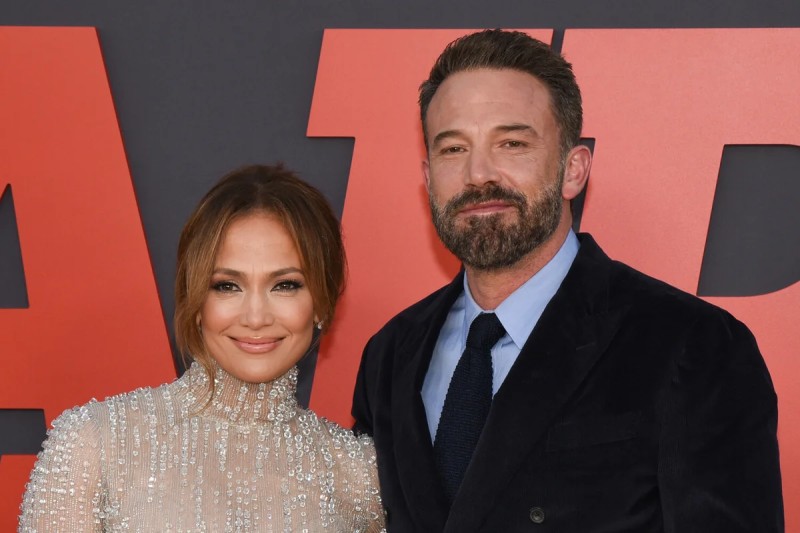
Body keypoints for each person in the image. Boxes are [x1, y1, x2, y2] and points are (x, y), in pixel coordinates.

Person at [352, 29, 783, 532]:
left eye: (512, 143)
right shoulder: (391, 355)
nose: (478, 174)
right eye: (453, 149)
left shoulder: (691, 346)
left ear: (573, 170)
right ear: (428, 179)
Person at [20, 164, 385, 532]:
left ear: (321, 302)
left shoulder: (358, 472)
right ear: (195, 302)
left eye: (285, 285)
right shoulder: (94, 442)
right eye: (227, 286)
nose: (255, 317)